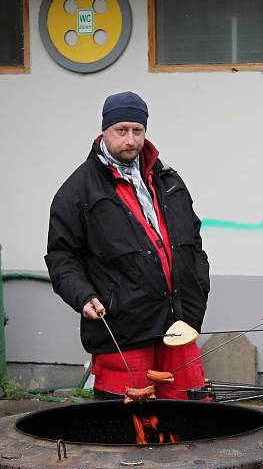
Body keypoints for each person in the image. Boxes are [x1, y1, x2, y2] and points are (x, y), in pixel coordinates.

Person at [45, 91, 210, 401]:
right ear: (104, 131)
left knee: (190, 415)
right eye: (121, 131)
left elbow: (194, 241)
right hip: (122, 327)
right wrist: (83, 296)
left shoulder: (168, 180)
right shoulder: (77, 190)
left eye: (138, 131)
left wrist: (198, 288)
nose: (131, 140)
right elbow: (62, 256)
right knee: (127, 425)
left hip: (179, 322)